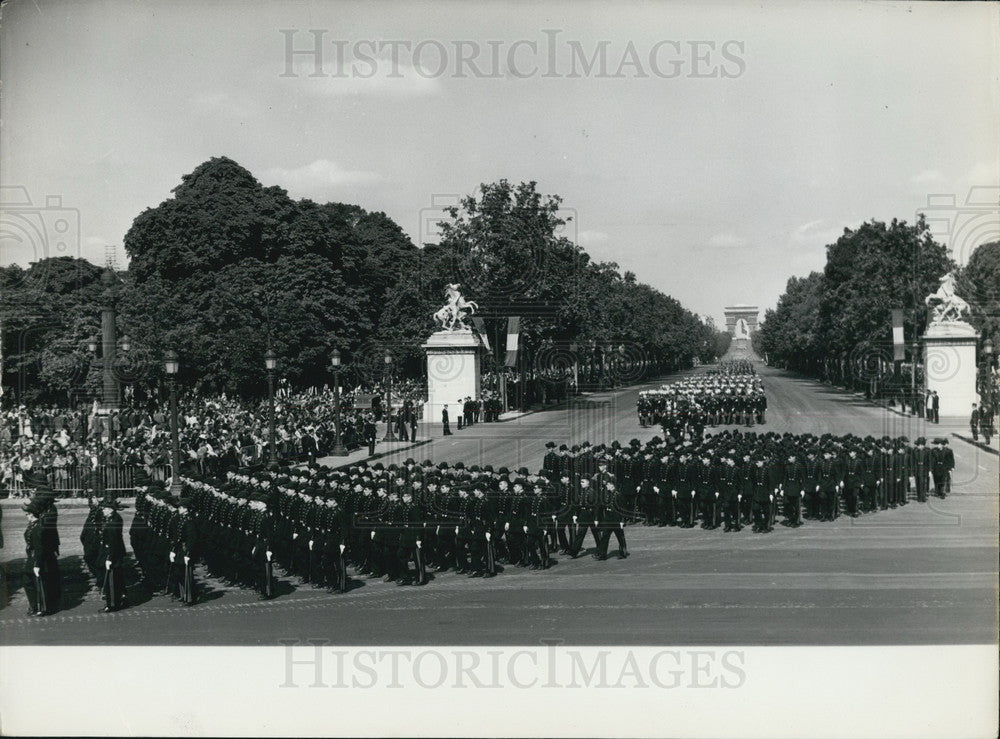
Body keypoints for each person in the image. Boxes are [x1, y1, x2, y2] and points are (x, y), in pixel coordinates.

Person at [99, 497, 127, 612]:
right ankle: (117, 599)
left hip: (113, 553)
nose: (103, 511)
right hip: (111, 551)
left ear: (111, 509)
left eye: (105, 509)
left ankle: (112, 604)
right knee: (115, 578)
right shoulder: (111, 518)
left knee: (112, 579)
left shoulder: (114, 521)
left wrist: (110, 557)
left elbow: (113, 541)